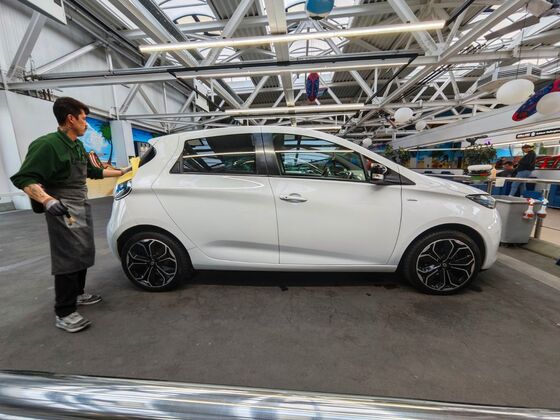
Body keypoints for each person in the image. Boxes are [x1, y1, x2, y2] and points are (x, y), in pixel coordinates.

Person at [10, 97, 131, 333]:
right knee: (67, 255)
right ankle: (64, 312)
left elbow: (93, 171)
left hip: (80, 203)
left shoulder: (76, 145)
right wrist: (47, 200)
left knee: (82, 250)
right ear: (70, 119)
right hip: (62, 206)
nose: (86, 124)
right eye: (83, 119)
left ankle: (78, 293)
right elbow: (23, 178)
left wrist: (122, 171)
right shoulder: (47, 145)